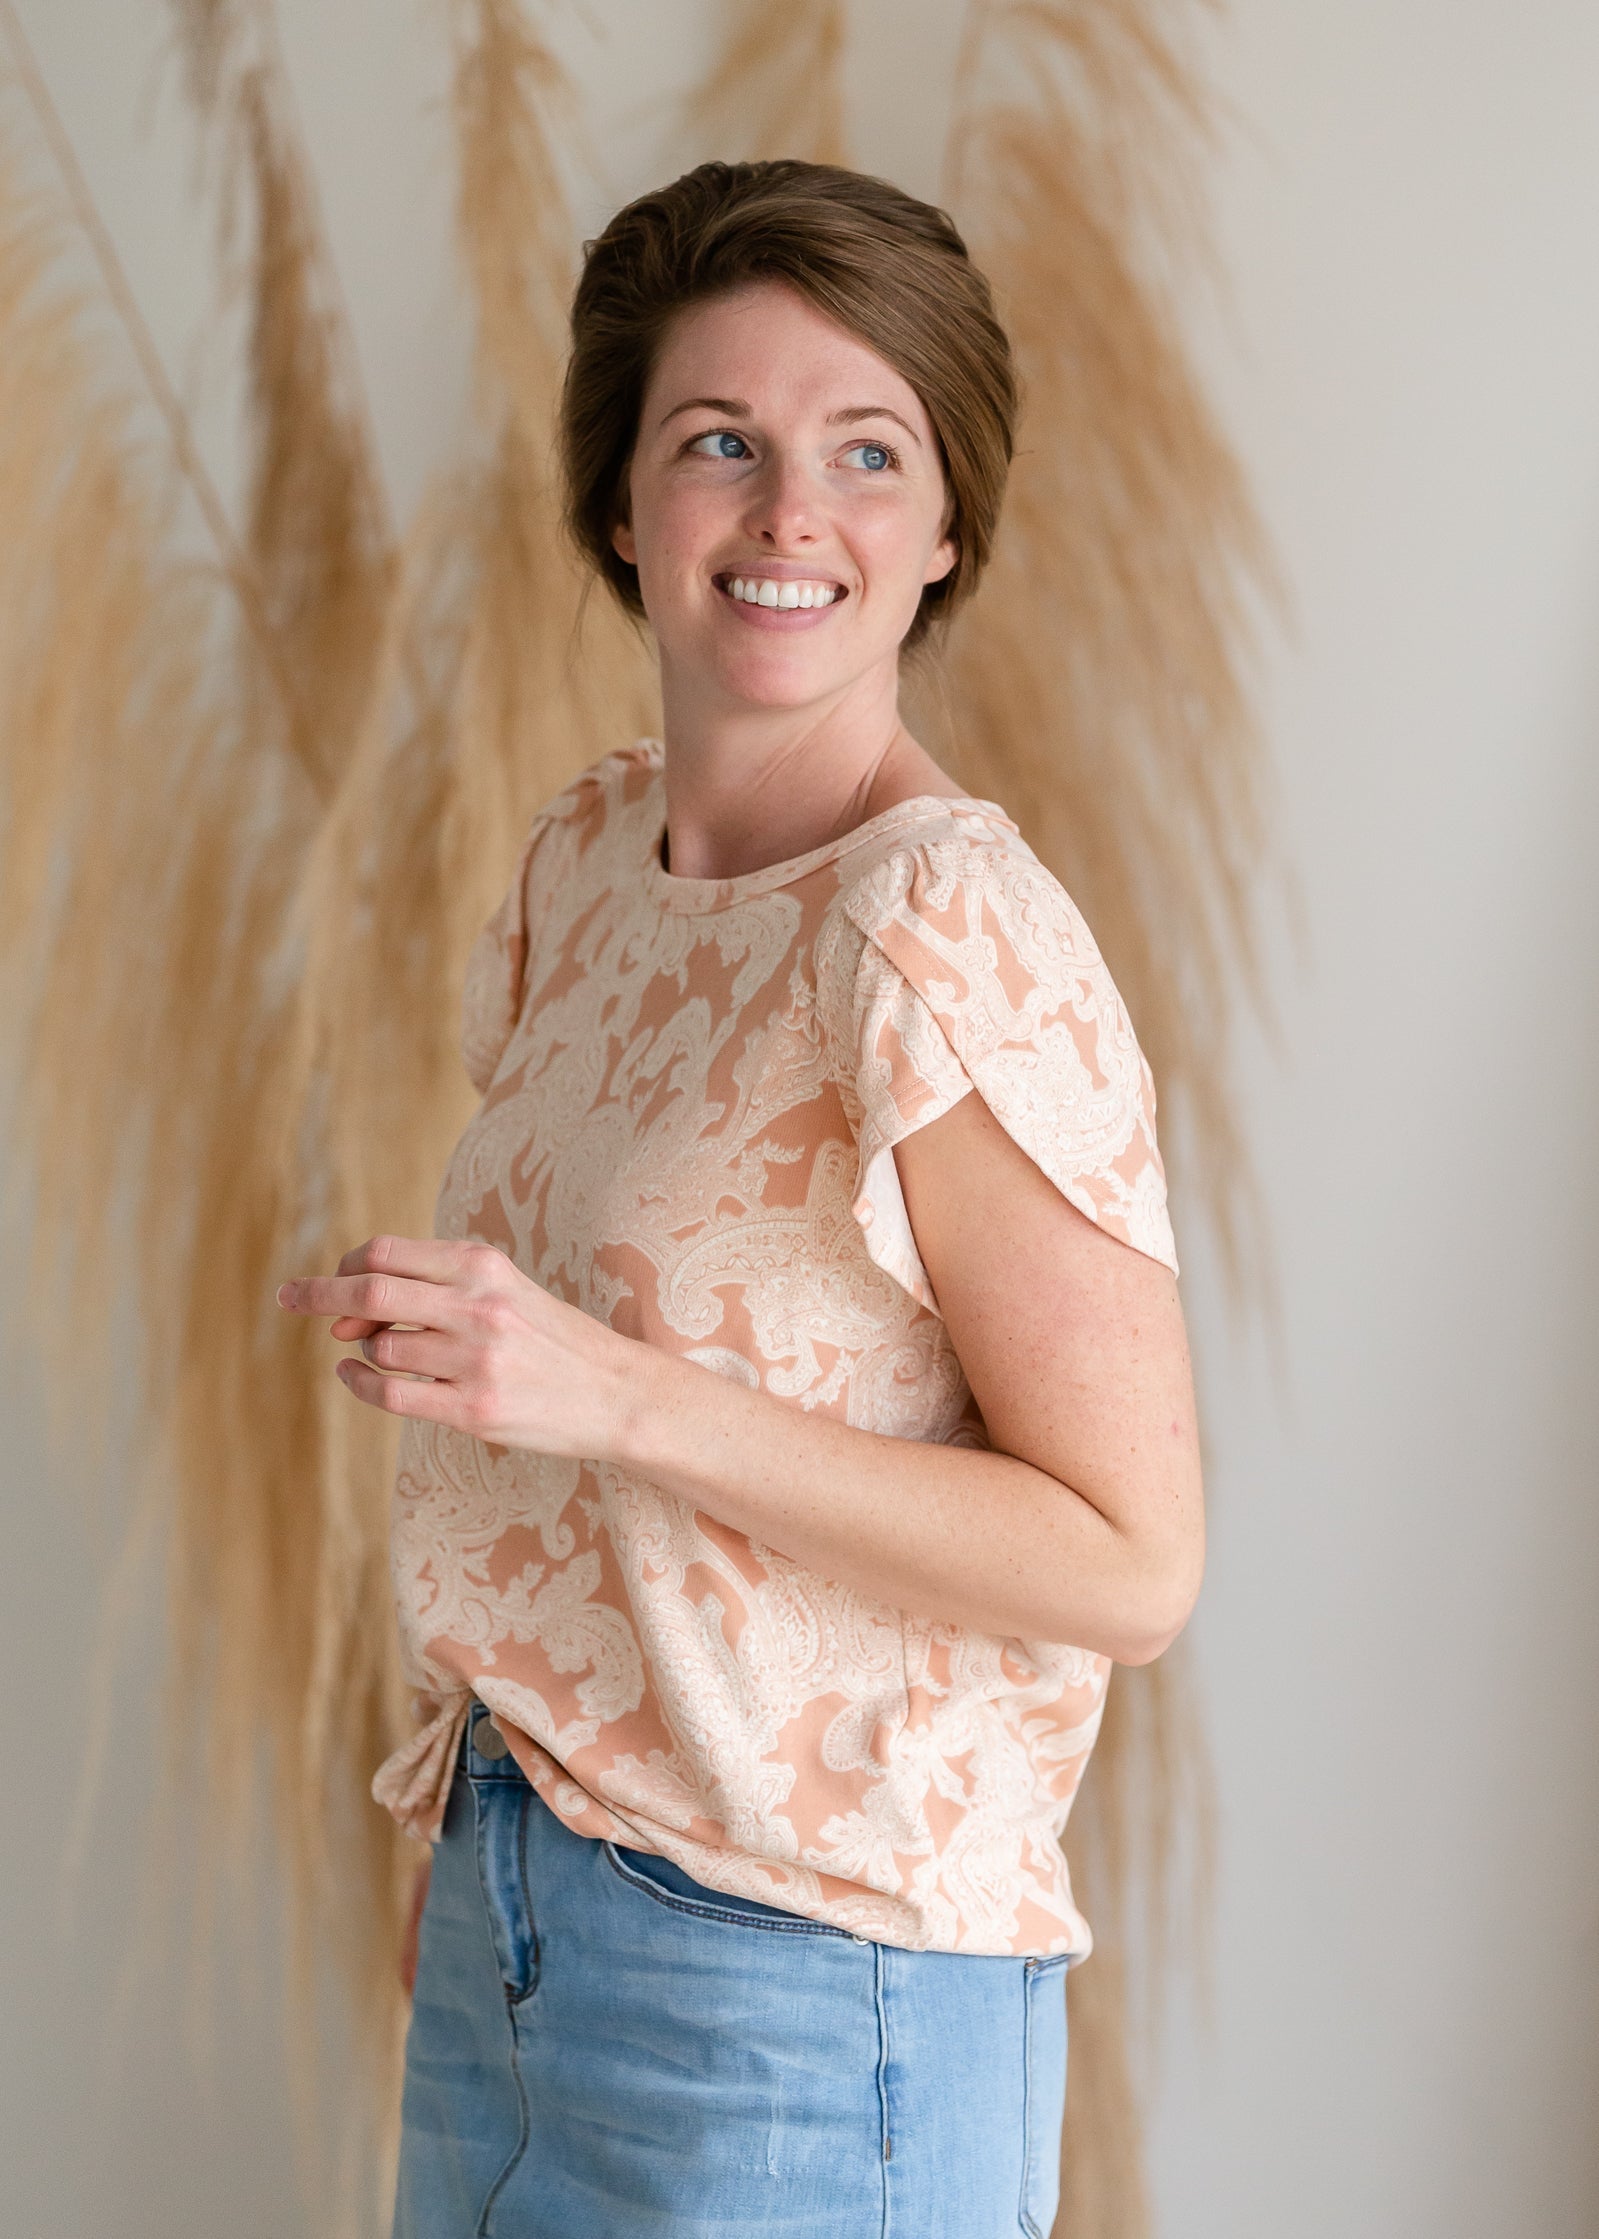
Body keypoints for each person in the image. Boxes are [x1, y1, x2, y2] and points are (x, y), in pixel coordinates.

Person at [276, 158, 1202, 2239]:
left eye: (867, 452)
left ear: (944, 527)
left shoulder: (938, 927)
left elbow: (1133, 1562)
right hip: (524, 1913)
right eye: (720, 442)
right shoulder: (593, 858)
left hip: (806, 1992)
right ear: (622, 504)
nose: (790, 513)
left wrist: (613, 1393)